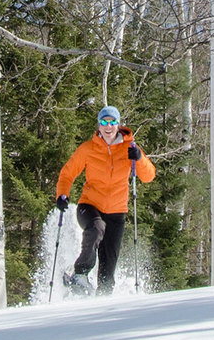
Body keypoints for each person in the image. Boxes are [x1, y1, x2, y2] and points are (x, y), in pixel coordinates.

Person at [55, 105, 156, 295]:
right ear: (99, 126)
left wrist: (139, 158)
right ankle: (80, 274)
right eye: (104, 122)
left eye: (112, 122)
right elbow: (67, 173)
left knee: (108, 270)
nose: (108, 126)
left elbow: (149, 176)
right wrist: (62, 194)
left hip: (117, 212)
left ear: (118, 125)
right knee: (96, 229)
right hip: (90, 206)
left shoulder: (130, 148)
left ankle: (102, 300)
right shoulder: (88, 148)